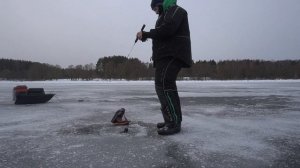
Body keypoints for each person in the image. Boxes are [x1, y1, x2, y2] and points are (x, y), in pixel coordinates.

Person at [137, 0, 192, 135]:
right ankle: (170, 120)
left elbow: (168, 29)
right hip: (164, 56)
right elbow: (161, 35)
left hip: (174, 54)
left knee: (165, 84)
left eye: (155, 8)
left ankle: (174, 122)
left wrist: (147, 34)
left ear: (160, 3)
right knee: (160, 85)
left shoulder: (175, 10)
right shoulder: (163, 16)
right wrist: (146, 37)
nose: (154, 11)